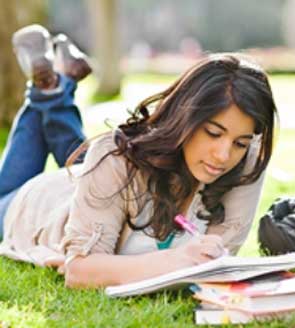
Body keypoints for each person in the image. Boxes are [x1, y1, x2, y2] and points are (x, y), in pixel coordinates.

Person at [0, 25, 278, 289]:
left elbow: (214, 263)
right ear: (185, 117)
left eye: (240, 143)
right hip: (39, 205)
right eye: (213, 133)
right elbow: (80, 272)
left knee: (93, 161)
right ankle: (50, 90)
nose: (224, 155)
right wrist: (174, 260)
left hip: (89, 184)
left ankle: (50, 89)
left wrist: (110, 267)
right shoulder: (116, 159)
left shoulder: (246, 162)